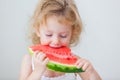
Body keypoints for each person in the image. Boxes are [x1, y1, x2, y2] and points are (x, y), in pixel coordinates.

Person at [19, 0, 102, 80]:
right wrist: (37, 71)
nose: (55, 41)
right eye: (49, 35)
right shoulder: (29, 60)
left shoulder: (76, 62)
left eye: (63, 36)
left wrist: (91, 72)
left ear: (72, 33)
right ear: (37, 30)